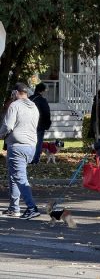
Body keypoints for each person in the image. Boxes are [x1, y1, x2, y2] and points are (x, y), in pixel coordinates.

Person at [0, 82, 40, 219]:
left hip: (17, 146)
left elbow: (8, 126)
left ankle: (32, 207)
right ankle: (14, 208)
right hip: (31, 146)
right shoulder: (34, 106)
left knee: (20, 177)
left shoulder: (15, 105)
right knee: (14, 175)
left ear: (16, 93)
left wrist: (0, 135)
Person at [29, 82, 52, 164]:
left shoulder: (29, 99)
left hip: (29, 124)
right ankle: (35, 159)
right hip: (40, 124)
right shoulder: (42, 100)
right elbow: (46, 113)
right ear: (42, 91)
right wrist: (47, 124)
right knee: (38, 142)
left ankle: (29, 158)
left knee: (29, 141)